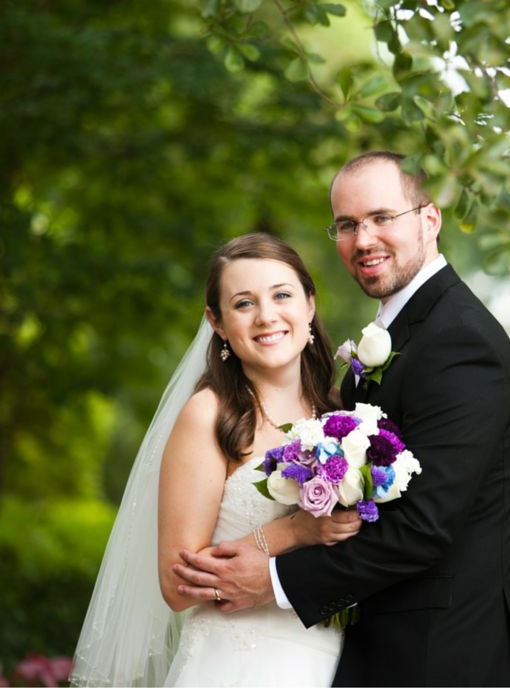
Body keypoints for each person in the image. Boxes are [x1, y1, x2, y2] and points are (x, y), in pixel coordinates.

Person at [174, 152, 510, 687]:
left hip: (447, 657)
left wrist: (273, 578)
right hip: (369, 651)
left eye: (381, 217)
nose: (364, 238)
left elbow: (423, 528)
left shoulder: (460, 342)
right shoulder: (395, 341)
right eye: (347, 225)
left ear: (430, 218)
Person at [71, 233, 361, 688]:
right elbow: (175, 585)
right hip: (234, 665)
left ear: (309, 304)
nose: (267, 316)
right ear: (218, 322)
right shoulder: (211, 414)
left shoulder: (343, 417)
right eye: (244, 303)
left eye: (282, 295)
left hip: (329, 663)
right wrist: (296, 530)